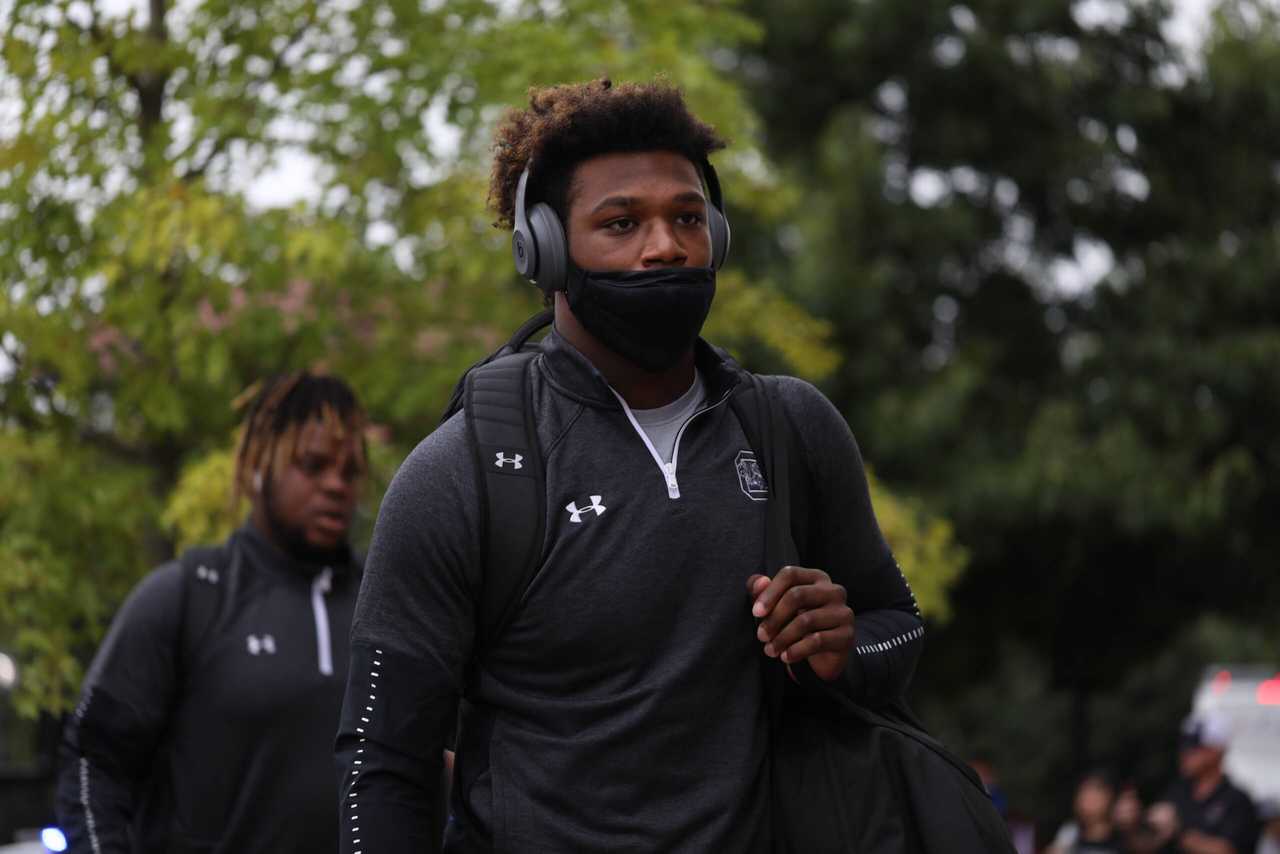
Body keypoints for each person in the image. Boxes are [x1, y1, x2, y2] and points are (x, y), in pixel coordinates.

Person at [334, 77, 925, 852]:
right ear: (542, 250)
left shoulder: (793, 429)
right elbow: (380, 762)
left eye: (686, 217)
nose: (665, 246)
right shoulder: (461, 473)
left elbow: (899, 629)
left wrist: (840, 649)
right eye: (621, 223)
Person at [56, 372, 370, 854]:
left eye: (349, 471)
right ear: (259, 465)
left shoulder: (386, 605)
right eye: (313, 464)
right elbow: (92, 765)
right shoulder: (184, 597)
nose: (335, 485)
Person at [1116, 713, 1260, 854]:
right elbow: (1149, 847)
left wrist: (1179, 833)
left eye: (1194, 747)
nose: (1184, 753)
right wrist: (1131, 829)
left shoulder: (1237, 800)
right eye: (1183, 746)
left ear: (1218, 750)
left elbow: (1230, 850)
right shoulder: (1175, 793)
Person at [1047, 770, 1126, 854]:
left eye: (1094, 794)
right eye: (1081, 793)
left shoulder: (1127, 838)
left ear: (1112, 797)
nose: (1084, 800)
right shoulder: (1069, 833)